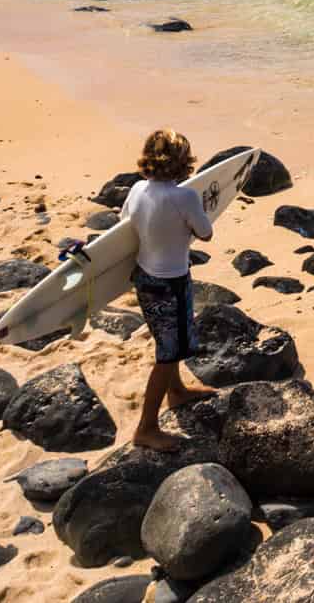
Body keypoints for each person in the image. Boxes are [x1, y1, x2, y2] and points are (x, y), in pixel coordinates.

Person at [119, 129, 216, 451]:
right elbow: (205, 233)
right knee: (168, 353)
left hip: (145, 277)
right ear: (182, 162)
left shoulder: (136, 189)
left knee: (168, 344)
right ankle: (146, 428)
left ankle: (176, 393)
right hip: (171, 282)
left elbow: (125, 226)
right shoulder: (183, 197)